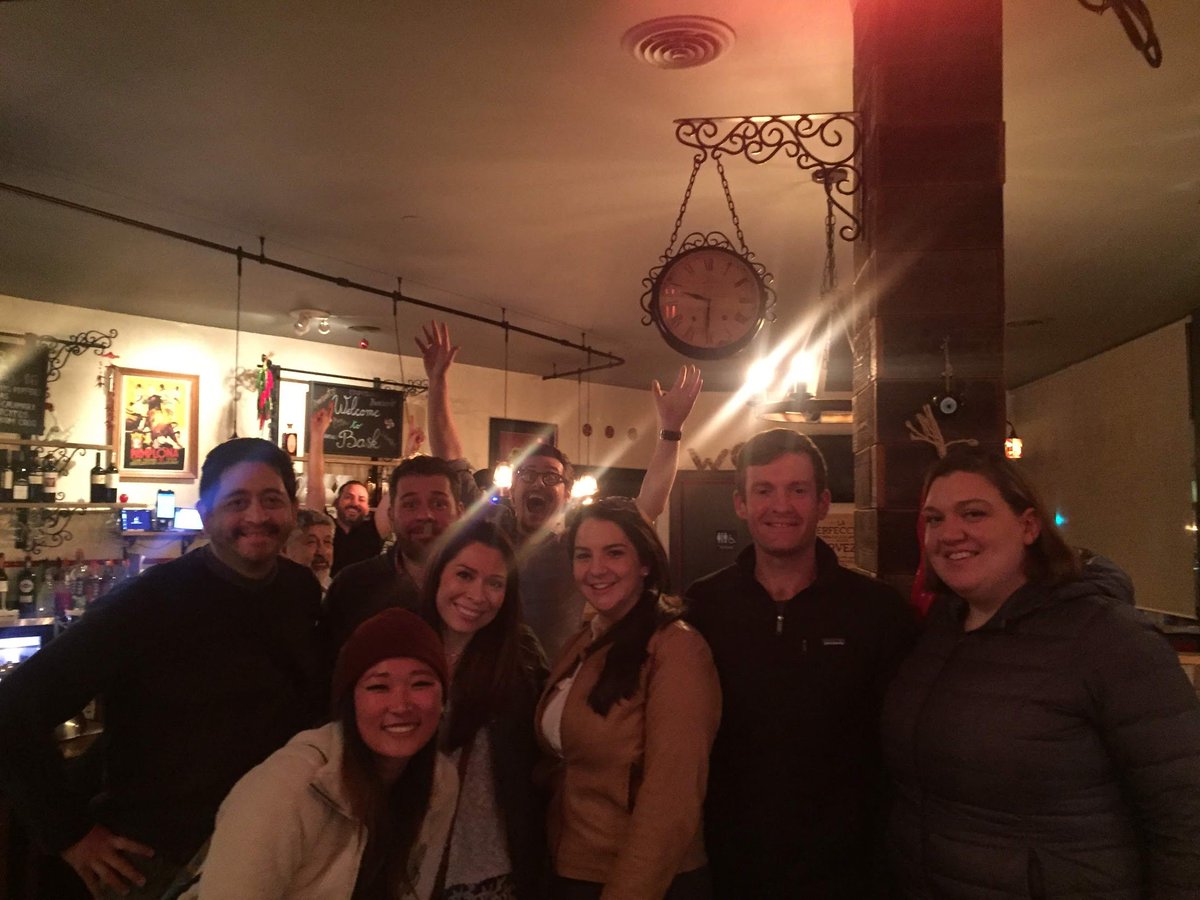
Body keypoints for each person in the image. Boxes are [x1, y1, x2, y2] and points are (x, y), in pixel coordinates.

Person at [0, 438, 327, 898]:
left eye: (271, 500)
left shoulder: (298, 590)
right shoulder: (149, 601)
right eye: (237, 502)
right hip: (158, 860)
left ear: (292, 509)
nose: (256, 516)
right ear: (207, 513)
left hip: (267, 840)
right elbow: (13, 709)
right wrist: (71, 835)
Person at [883, 447, 1200, 898]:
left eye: (973, 513)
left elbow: (1184, 815)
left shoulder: (1109, 639)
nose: (950, 533)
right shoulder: (940, 632)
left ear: (1028, 526)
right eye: (934, 519)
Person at [684, 428, 917, 898]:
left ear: (823, 502)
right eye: (764, 490)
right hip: (729, 866)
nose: (781, 506)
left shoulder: (878, 612)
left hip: (849, 872)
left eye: (798, 490)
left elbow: (905, 746)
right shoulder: (702, 606)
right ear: (740, 504)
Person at [417, 319, 701, 660]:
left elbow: (647, 507)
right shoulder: (489, 526)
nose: (537, 482)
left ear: (567, 493)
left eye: (551, 478)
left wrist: (670, 431)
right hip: (481, 676)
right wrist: (437, 382)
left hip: (546, 681)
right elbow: (451, 461)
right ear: (512, 485)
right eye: (527, 474)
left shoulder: (577, 541)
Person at [190, 608, 457, 900]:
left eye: (421, 683)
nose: (401, 705)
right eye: (378, 686)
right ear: (349, 703)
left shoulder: (440, 781)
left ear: (443, 698)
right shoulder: (285, 790)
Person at [537, 498, 721, 899]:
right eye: (583, 555)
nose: (596, 569)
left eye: (614, 553)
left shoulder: (676, 649)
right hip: (569, 867)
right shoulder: (585, 640)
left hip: (642, 880)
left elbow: (671, 799)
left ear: (645, 564)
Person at [418, 519, 549, 899]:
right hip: (404, 863)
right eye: (465, 574)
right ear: (438, 574)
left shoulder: (519, 661)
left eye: (495, 583)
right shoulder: (402, 648)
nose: (478, 594)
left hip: (488, 869)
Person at [322, 455, 466, 656]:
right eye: (410, 504)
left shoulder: (479, 588)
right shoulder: (351, 587)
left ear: (460, 513)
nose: (425, 515)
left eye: (439, 504)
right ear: (391, 515)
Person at [306, 402, 392, 577]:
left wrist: (408, 456)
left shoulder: (374, 530)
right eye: (349, 497)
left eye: (362, 499)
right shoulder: (325, 526)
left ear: (368, 508)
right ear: (337, 502)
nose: (355, 503)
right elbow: (315, 487)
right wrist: (317, 434)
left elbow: (395, 495)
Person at [282, 506, 336, 591]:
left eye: (327, 542)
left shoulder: (337, 591)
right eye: (311, 542)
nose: (322, 551)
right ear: (284, 550)